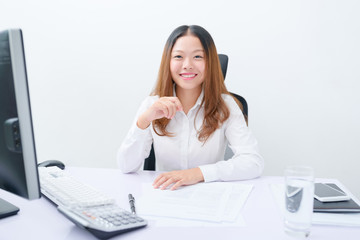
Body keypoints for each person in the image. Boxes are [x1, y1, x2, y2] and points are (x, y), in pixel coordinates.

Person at [117, 25, 264, 190]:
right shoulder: (151, 104)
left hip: (208, 196)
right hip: (165, 195)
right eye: (178, 56)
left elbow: (253, 162)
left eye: (198, 57)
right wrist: (143, 121)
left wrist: (198, 173)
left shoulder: (226, 106)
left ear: (211, 63)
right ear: (168, 62)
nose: (187, 65)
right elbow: (126, 166)